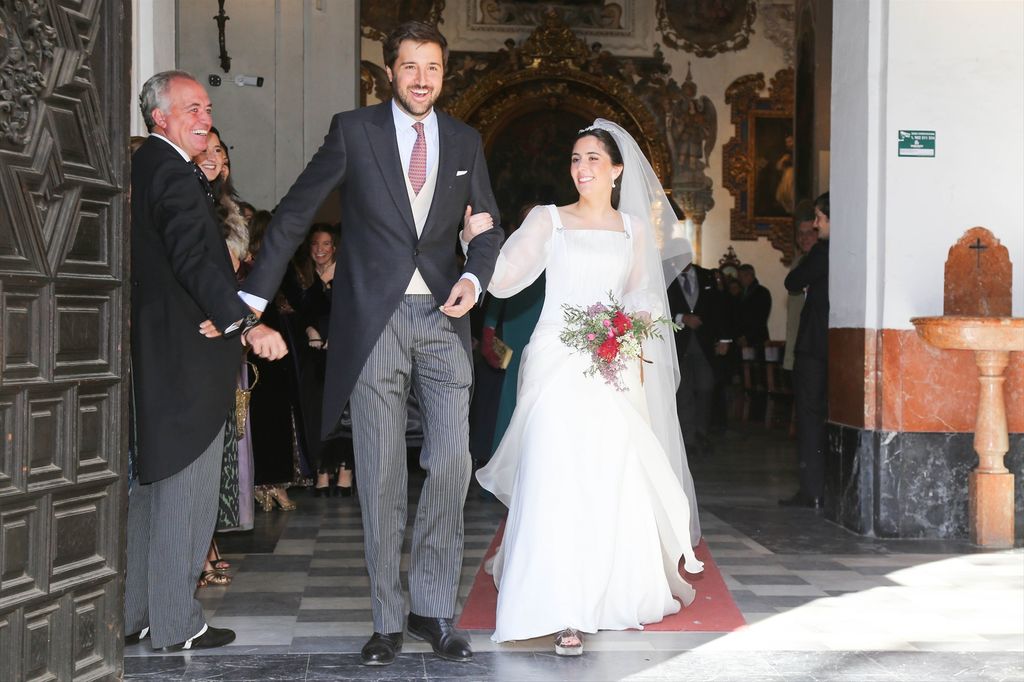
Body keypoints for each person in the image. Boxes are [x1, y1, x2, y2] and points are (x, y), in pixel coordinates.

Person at [238, 21, 503, 666]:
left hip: (444, 315)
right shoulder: (353, 132)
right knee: (381, 468)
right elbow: (298, 210)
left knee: (450, 461)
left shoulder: (466, 140)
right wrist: (248, 299)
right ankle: (387, 616)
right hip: (373, 320)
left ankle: (433, 610)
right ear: (391, 71)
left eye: (432, 68)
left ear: (445, 73)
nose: (421, 80)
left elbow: (489, 229)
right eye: (409, 67)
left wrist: (475, 274)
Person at [476, 120, 704, 656]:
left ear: (617, 169)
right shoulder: (548, 220)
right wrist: (477, 244)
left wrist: (632, 341)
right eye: (576, 159)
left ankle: (606, 591)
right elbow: (507, 279)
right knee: (554, 475)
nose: (582, 168)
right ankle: (560, 606)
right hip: (557, 361)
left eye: (593, 159)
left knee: (606, 476)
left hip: (612, 367)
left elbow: (641, 298)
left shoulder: (632, 230)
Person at [125, 70, 285, 652]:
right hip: (186, 360)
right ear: (159, 117)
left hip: (162, 354)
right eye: (191, 107)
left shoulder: (150, 168)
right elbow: (195, 260)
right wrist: (248, 323)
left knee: (154, 491)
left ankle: (136, 613)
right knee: (186, 498)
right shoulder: (169, 172)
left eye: (208, 107)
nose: (204, 117)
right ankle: (175, 622)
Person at [780, 191, 830, 508]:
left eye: (820, 218)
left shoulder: (823, 251)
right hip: (839, 344)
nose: (815, 224)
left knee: (810, 416)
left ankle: (812, 488)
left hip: (815, 345)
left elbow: (793, 280)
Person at [668, 259, 730, 456]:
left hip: (705, 342)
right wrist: (682, 317)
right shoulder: (667, 276)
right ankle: (688, 439)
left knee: (705, 388)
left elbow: (719, 308)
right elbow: (664, 305)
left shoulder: (707, 276)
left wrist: (724, 338)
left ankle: (701, 432)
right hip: (680, 344)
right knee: (684, 392)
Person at [783, 202, 819, 372]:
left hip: (816, 344)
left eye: (810, 233)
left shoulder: (824, 261)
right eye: (800, 234)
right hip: (799, 343)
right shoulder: (798, 263)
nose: (804, 238)